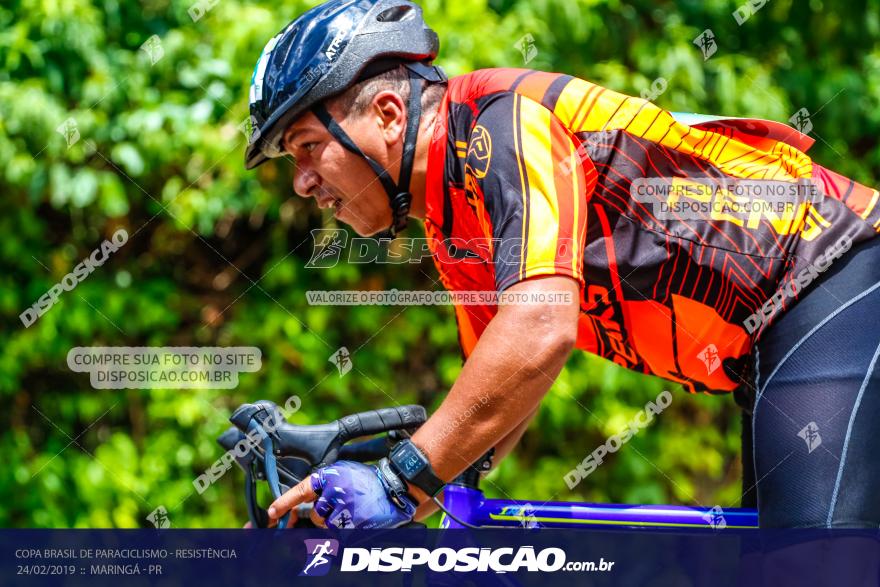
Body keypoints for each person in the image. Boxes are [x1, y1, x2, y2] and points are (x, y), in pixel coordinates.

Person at [244, 0, 880, 529]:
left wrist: (398, 479)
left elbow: (540, 329)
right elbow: (496, 396)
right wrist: (347, 491)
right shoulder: (449, 216)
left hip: (837, 272)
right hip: (777, 343)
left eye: (306, 147)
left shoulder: (501, 122)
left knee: (811, 564)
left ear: (386, 114)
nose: (301, 184)